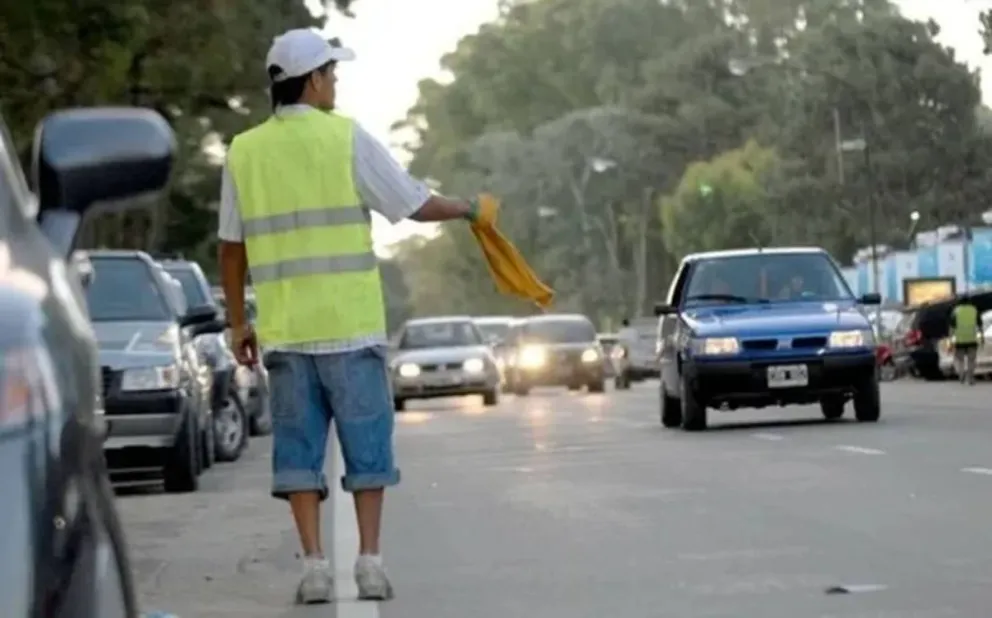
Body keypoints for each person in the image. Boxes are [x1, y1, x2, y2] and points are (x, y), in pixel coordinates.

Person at [217, 28, 489, 604]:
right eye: (332, 74)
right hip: (350, 328)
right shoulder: (345, 139)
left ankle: (314, 567)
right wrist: (470, 209)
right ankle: (368, 562)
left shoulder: (243, 152)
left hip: (287, 334)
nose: (336, 83)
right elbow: (412, 203)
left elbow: (231, 248)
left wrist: (239, 324)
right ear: (312, 80)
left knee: (297, 452)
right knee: (369, 450)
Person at [949, 296, 983, 385]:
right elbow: (980, 326)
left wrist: (951, 340)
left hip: (959, 340)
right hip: (972, 339)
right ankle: (970, 377)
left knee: (960, 360)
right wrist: (981, 337)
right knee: (971, 360)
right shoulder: (974, 310)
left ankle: (961, 373)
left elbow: (952, 328)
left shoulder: (956, 311)